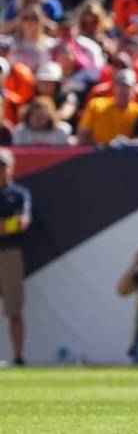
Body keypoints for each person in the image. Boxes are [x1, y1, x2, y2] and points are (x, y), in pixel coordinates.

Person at [0, 148, 31, 366]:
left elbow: (22, 222)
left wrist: (6, 226)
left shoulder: (19, 193)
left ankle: (17, 357)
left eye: (2, 166)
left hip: (10, 253)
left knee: (14, 308)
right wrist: (7, 225)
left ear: (11, 168)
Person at [77, 69, 138, 145]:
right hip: (98, 155)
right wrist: (104, 148)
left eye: (127, 86)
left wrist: (128, 143)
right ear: (114, 87)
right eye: (120, 85)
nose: (123, 90)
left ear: (134, 89)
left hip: (127, 155)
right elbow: (82, 137)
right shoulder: (96, 105)